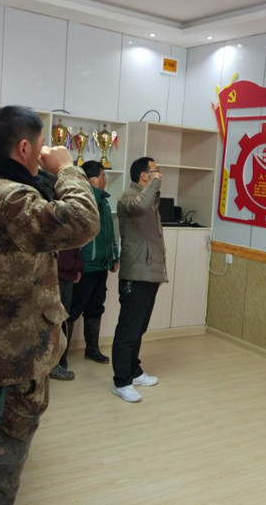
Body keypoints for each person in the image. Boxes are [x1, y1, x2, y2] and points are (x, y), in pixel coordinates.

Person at [0, 105, 99, 504]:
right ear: (23, 148)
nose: (44, 153)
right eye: (40, 146)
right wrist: (68, 169)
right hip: (8, 365)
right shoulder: (8, 197)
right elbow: (83, 221)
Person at [111, 157, 167, 403]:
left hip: (150, 273)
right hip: (135, 274)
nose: (159, 174)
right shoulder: (128, 197)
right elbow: (140, 206)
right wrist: (154, 184)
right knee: (128, 330)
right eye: (155, 170)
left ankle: (134, 372)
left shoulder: (149, 198)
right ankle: (121, 381)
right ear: (144, 175)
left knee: (139, 328)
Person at [68, 160, 119, 364]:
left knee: (96, 307)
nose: (105, 180)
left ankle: (92, 349)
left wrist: (114, 257)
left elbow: (109, 232)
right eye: (103, 175)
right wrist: (94, 190)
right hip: (84, 267)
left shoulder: (104, 202)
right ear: (92, 179)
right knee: (72, 310)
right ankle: (60, 357)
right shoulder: (84, 198)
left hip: (101, 266)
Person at [50, 248, 83, 381]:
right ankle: (51, 364)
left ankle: (59, 360)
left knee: (63, 319)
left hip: (69, 277)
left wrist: (78, 267)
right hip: (52, 276)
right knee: (52, 321)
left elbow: (76, 247)